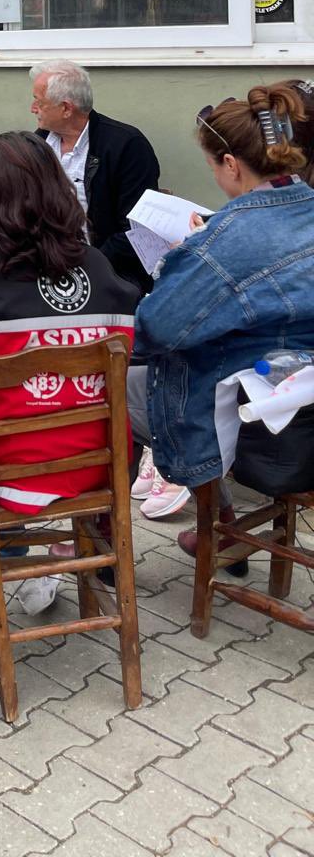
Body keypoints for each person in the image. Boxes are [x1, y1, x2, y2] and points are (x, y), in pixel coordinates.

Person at [0, 132, 140, 612]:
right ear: (57, 190)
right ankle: (55, 552)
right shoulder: (99, 266)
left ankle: (10, 554)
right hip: (97, 463)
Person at [130, 84, 314, 566]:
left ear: (231, 164)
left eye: (213, 166)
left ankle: (106, 538)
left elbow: (155, 330)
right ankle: (224, 527)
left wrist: (183, 264)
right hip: (301, 393)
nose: (214, 175)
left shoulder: (223, 242)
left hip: (255, 414)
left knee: (114, 387)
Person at [30, 60, 161, 292]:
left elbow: (136, 231)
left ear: (66, 109)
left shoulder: (126, 145)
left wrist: (88, 265)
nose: (33, 108)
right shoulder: (38, 143)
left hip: (110, 268)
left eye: (39, 102)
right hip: (42, 261)